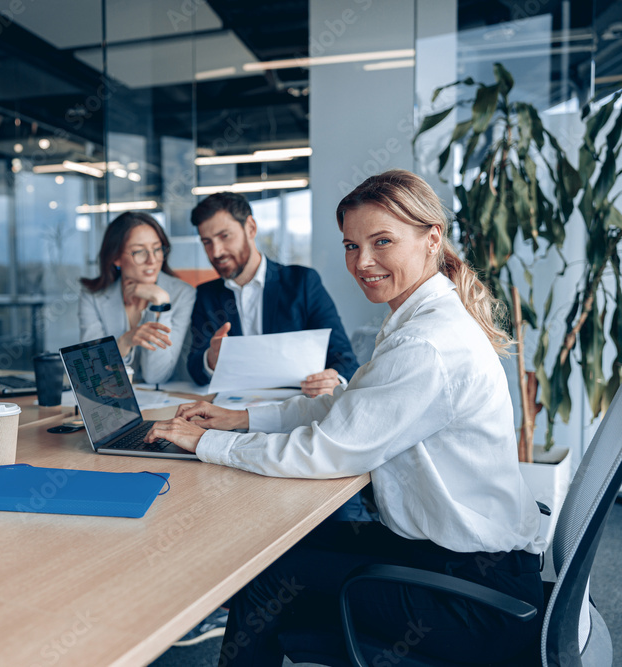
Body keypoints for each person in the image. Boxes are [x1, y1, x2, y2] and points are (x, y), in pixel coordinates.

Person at [147, 170, 545, 665]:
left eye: (382, 242)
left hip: (469, 596)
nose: (363, 261)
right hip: (460, 562)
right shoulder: (420, 319)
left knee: (265, 574)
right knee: (277, 558)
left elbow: (326, 449)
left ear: (431, 239)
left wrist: (205, 443)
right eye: (352, 246)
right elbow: (347, 404)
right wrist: (238, 420)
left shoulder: (426, 343)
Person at [186, 193, 358, 397]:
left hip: (295, 406)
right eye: (207, 242)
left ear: (250, 228)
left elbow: (344, 358)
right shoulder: (207, 294)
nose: (216, 252)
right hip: (232, 409)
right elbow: (195, 368)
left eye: (225, 236)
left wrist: (334, 381)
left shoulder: (301, 282)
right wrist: (211, 359)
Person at [79, 212, 195, 385]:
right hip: (113, 401)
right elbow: (94, 371)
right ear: (116, 258)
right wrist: (124, 342)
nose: (152, 260)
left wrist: (160, 302)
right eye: (139, 252)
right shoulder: (93, 297)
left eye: (157, 249)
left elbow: (157, 375)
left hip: (168, 402)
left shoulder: (182, 293)